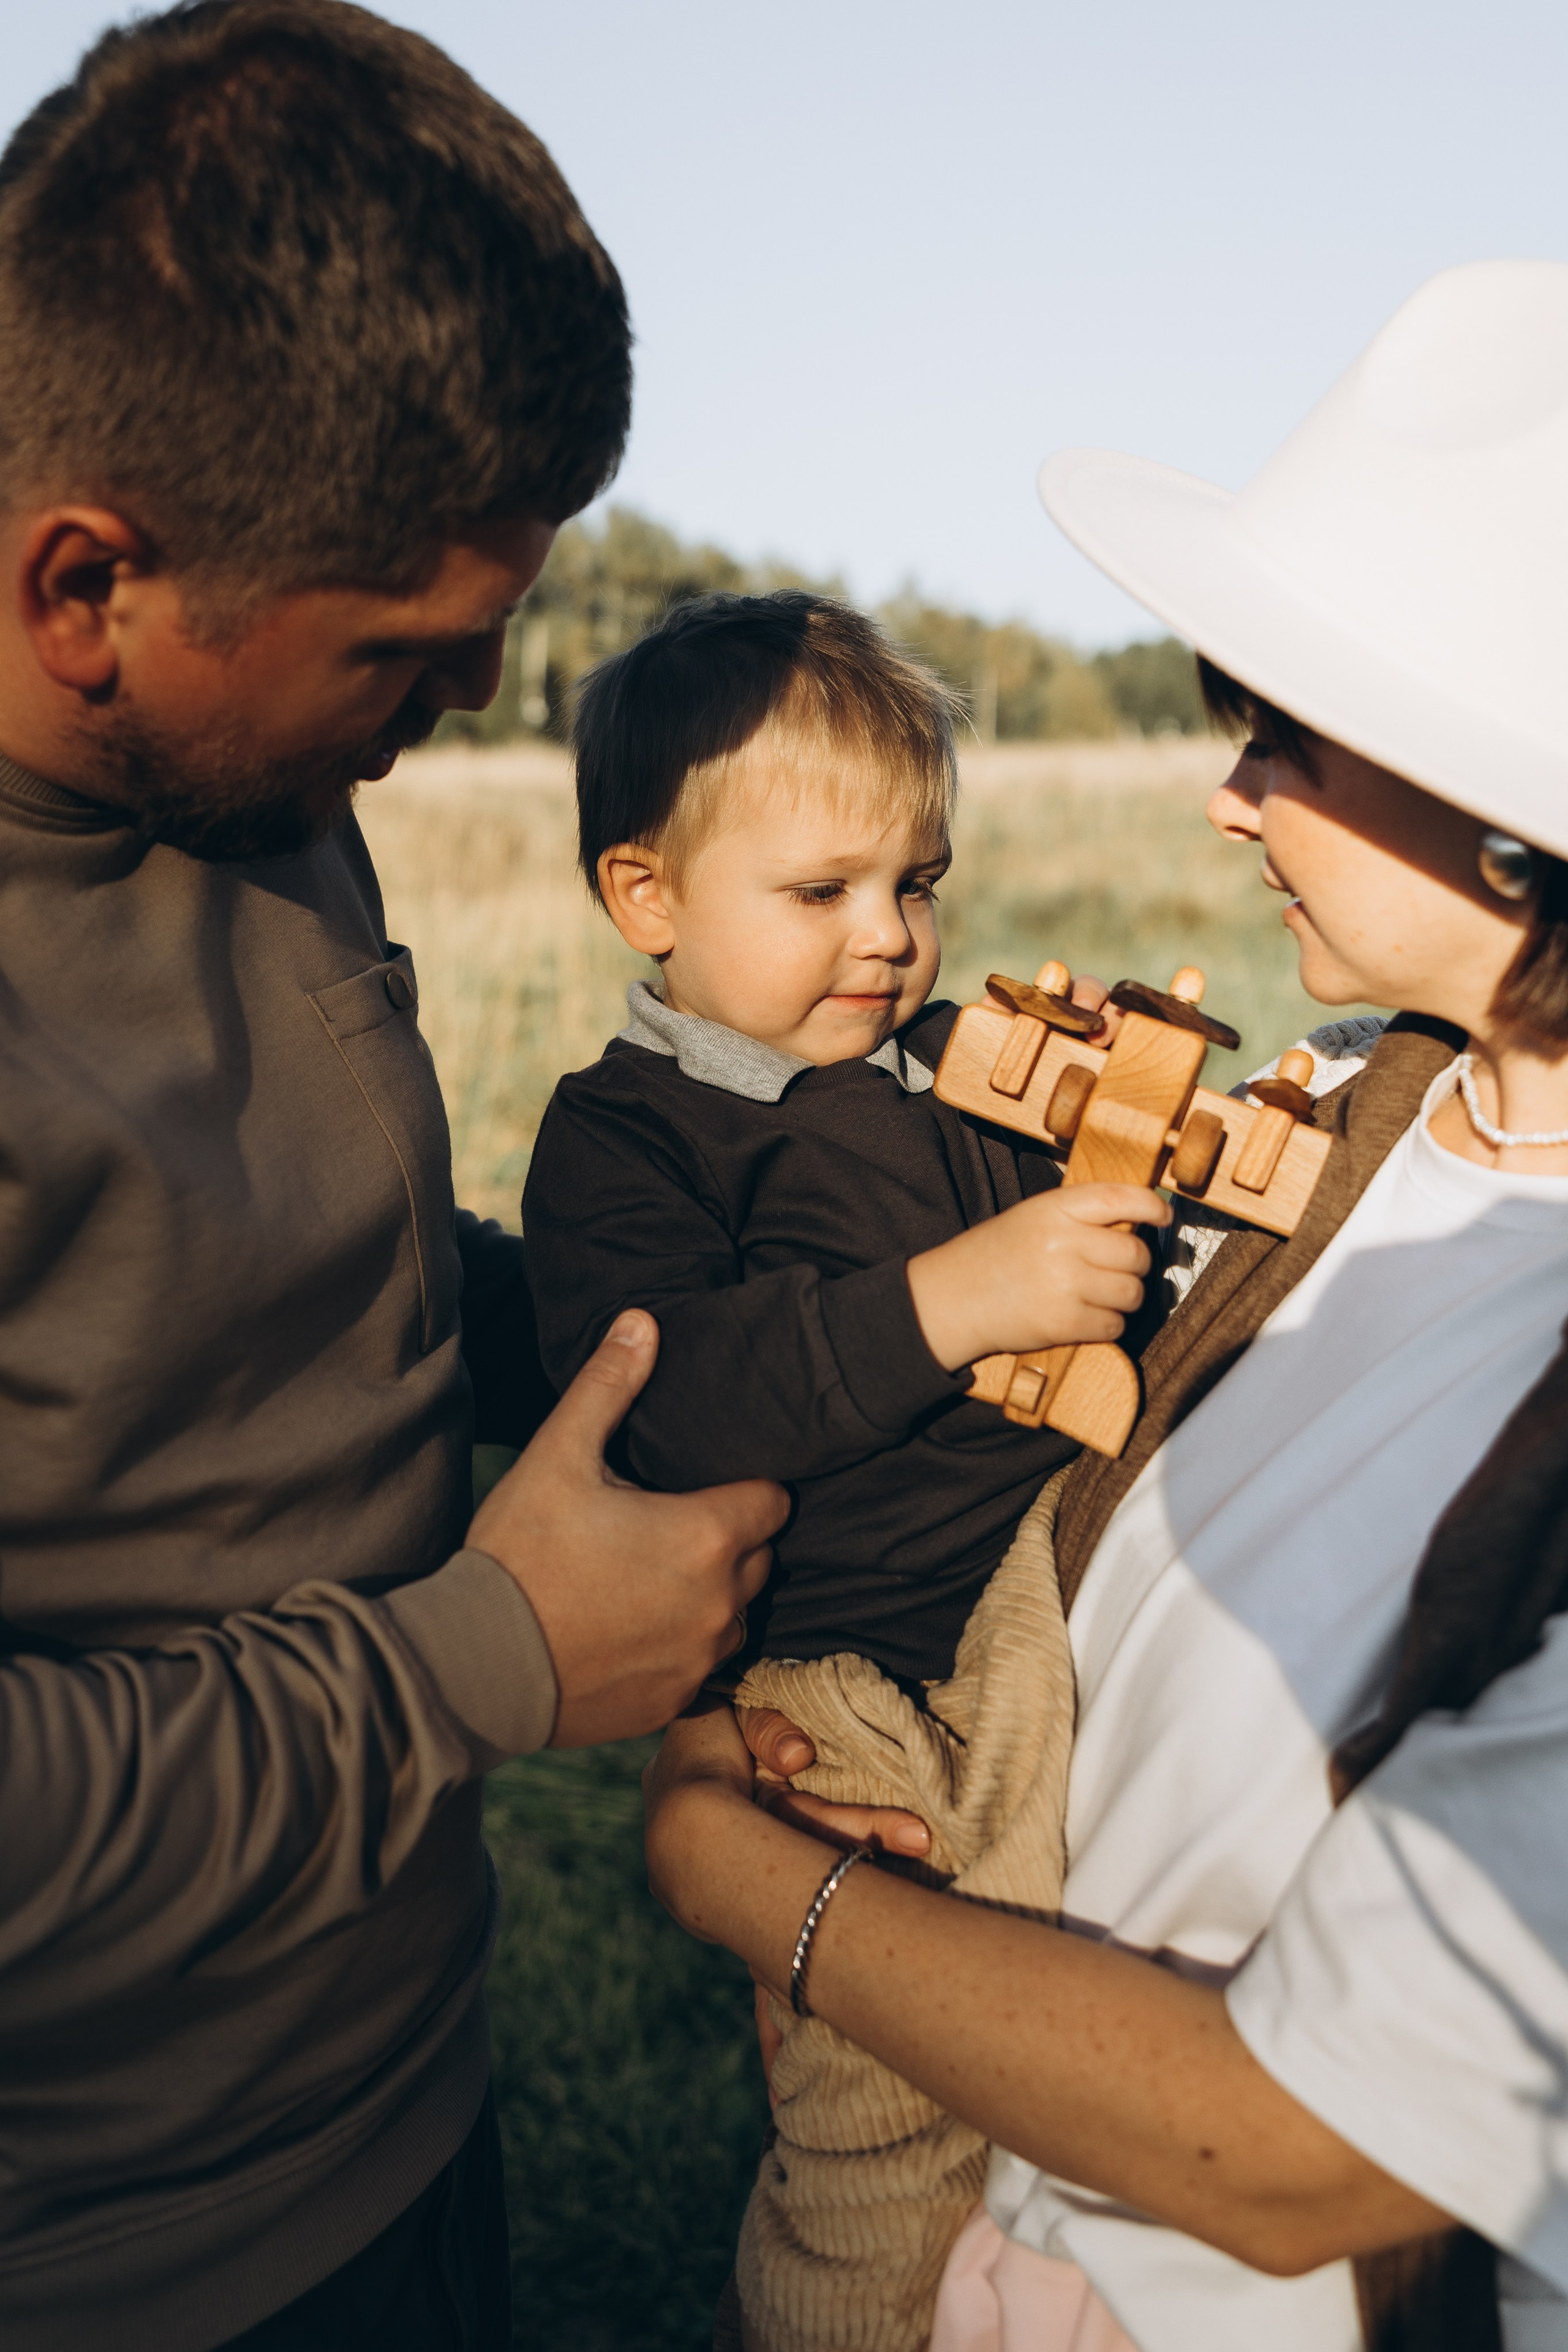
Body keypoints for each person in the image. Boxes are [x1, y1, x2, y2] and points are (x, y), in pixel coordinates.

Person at [644, 257, 1568, 2352]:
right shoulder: (1330, 1128)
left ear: (1521, 840)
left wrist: (751, 1880)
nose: (1226, 796)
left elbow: (1290, 2150)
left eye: (1295, 738)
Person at [0, 9, 783, 2350]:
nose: (454, 723)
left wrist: (687, 1328)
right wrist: (491, 1657)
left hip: (399, 2102)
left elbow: (267, 1280)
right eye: (409, 663)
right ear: (84, 588)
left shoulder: (234, 767)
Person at [523, 589, 1165, 2350]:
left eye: (918, 884)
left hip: (1031, 1607)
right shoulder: (626, 1138)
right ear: (643, 895)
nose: (887, 940)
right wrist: (953, 1303)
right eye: (821, 894)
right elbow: (676, 1402)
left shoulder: (951, 1086)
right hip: (840, 1686)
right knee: (885, 2125)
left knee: (1079, 2039)